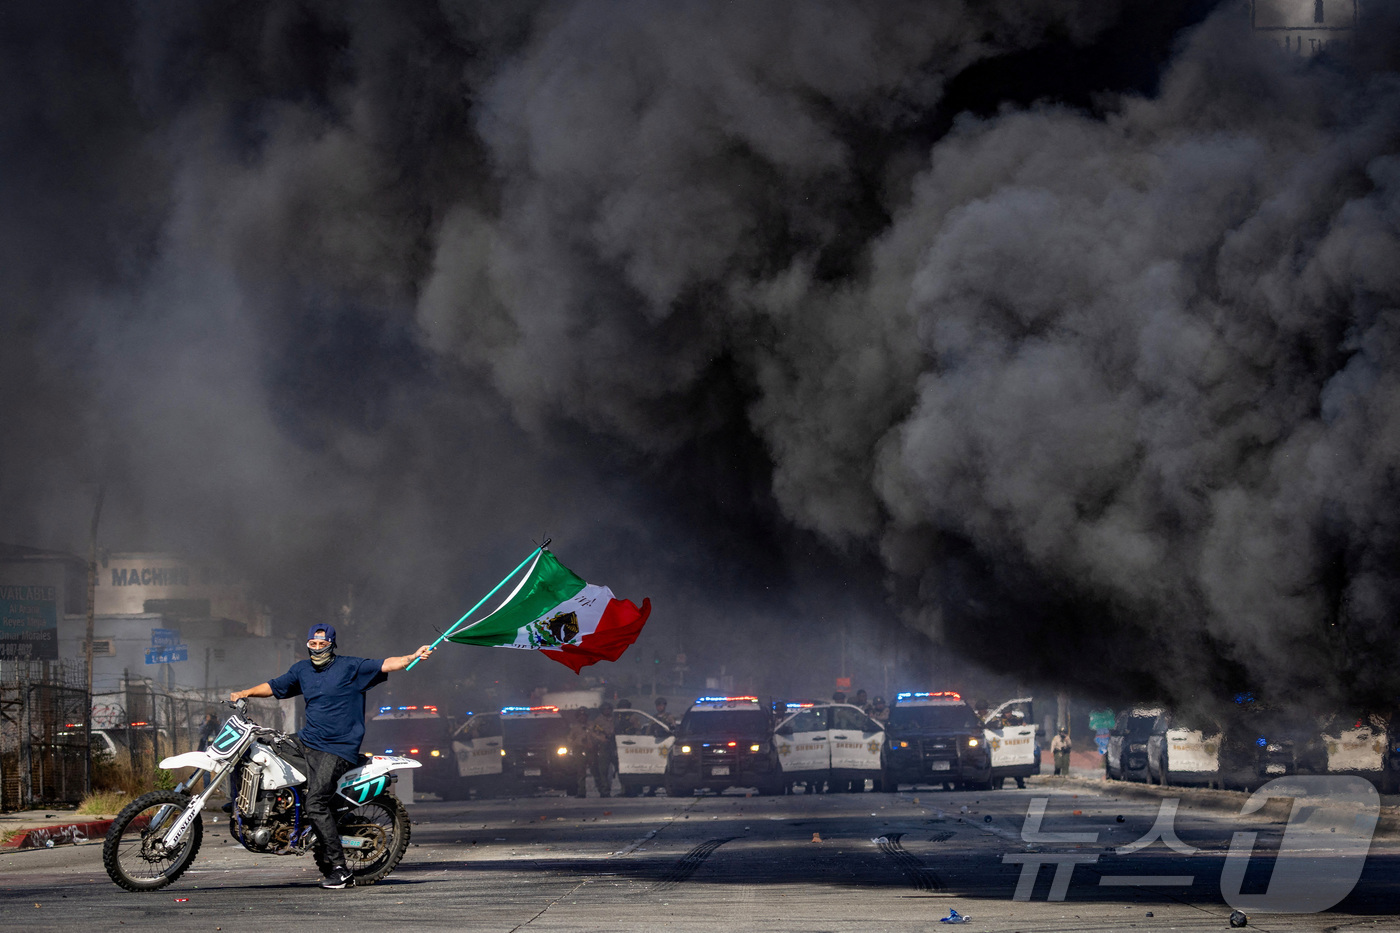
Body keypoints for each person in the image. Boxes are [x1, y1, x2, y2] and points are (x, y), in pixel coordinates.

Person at [229, 623, 432, 890]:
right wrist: (245, 693)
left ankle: (340, 870)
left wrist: (412, 656)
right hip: (306, 741)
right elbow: (275, 686)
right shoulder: (302, 670)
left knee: (316, 803)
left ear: (331, 645)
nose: (316, 649)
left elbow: (386, 664)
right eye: (312, 644)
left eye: (322, 644)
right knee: (261, 751)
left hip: (337, 748)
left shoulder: (350, 667)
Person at [589, 702, 616, 798]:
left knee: (620, 768)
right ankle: (605, 791)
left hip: (615, 745)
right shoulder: (598, 721)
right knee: (603, 770)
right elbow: (593, 733)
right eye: (605, 709)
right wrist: (601, 738)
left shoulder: (615, 719)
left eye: (608, 709)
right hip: (604, 746)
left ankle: (625, 789)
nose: (607, 711)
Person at [566, 708, 592, 797]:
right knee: (580, 772)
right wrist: (575, 743)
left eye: (584, 716)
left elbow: (597, 735)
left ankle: (604, 791)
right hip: (579, 750)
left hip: (591, 750)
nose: (582, 718)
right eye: (580, 716)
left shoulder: (592, 726)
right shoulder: (574, 728)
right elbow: (569, 739)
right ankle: (581, 792)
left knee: (596, 771)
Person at [196, 712, 219, 791]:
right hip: (205, 748)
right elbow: (200, 731)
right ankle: (206, 788)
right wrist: (206, 722)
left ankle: (218, 788)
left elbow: (220, 732)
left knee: (219, 768)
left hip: (216, 749)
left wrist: (217, 723)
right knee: (204, 768)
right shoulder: (205, 723)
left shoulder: (218, 722)